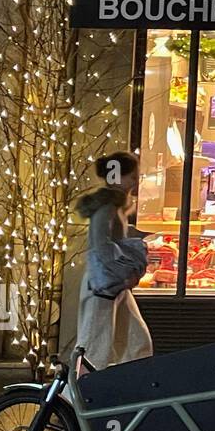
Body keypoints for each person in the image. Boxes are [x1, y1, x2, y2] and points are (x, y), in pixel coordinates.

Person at [74, 152, 153, 371]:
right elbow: (101, 245)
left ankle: (131, 385)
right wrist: (125, 266)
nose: (135, 181)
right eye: (132, 177)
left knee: (135, 340)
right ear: (117, 176)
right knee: (94, 344)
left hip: (113, 283)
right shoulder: (108, 206)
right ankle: (75, 396)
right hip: (105, 283)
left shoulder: (114, 205)